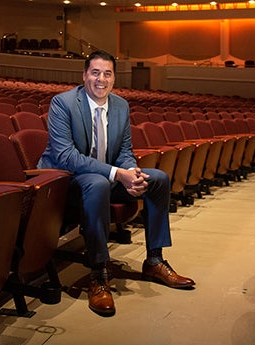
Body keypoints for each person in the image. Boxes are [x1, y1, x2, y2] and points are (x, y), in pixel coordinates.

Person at [38, 50, 195, 316]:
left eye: (107, 74)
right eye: (95, 72)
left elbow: (124, 149)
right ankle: (98, 274)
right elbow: (67, 157)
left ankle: (154, 260)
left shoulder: (120, 105)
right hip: (68, 181)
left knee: (157, 179)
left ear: (114, 79)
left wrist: (131, 171)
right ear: (84, 75)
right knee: (97, 183)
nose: (101, 79)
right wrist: (116, 173)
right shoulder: (63, 103)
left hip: (105, 175)